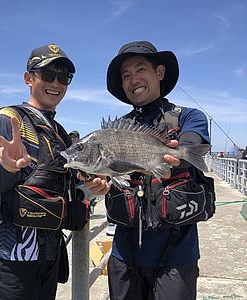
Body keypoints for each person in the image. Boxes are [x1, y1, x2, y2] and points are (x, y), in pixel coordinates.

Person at [0, 43, 108, 300]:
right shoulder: (10, 119)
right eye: (48, 75)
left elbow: (65, 186)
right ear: (29, 78)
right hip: (14, 254)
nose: (56, 83)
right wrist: (6, 167)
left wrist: (91, 188)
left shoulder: (59, 132)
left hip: (49, 250)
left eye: (64, 77)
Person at [101, 41, 210, 299]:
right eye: (126, 75)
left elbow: (192, 145)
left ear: (159, 73)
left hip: (177, 256)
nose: (133, 79)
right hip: (124, 256)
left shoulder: (189, 117)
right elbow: (104, 173)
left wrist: (179, 154)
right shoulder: (114, 131)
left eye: (140, 70)